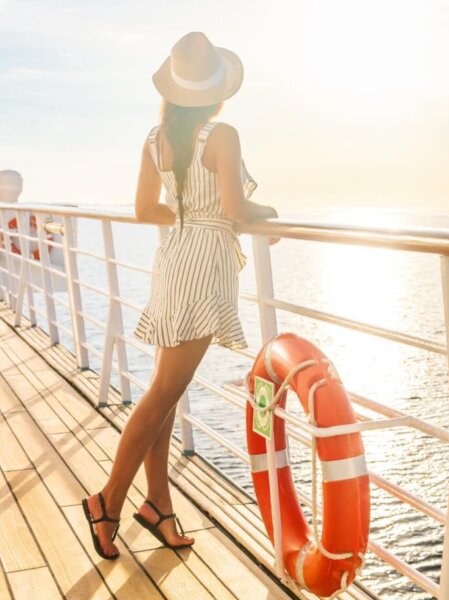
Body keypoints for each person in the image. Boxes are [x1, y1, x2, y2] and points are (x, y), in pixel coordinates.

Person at [81, 32, 277, 559]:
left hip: (174, 260)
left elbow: (146, 210)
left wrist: (189, 218)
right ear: (217, 91)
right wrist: (267, 215)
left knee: (165, 391)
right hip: (205, 264)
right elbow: (236, 209)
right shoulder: (224, 134)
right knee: (164, 392)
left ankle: (158, 505)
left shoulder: (155, 137)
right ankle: (107, 500)